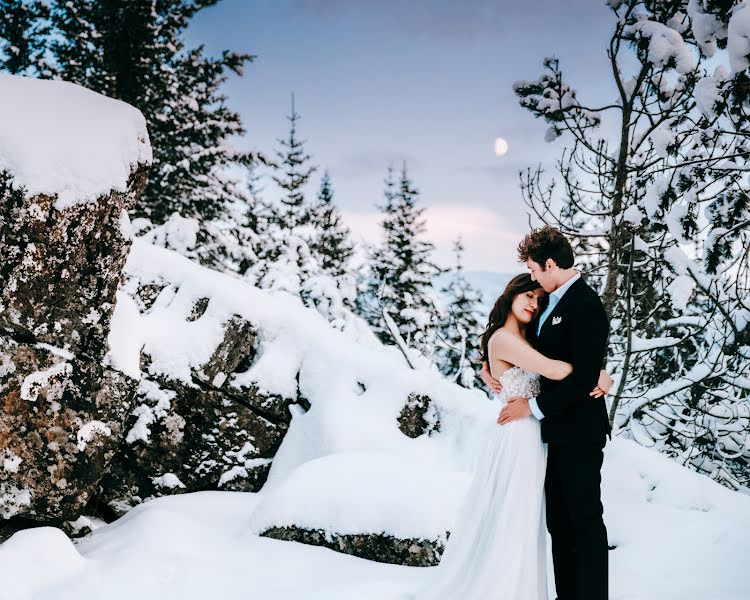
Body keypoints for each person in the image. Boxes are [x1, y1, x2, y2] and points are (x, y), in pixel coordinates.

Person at [410, 249, 612, 599]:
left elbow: (551, 363)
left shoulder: (524, 340)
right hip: (520, 433)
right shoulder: (504, 339)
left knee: (534, 519)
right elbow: (553, 370)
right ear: (510, 296)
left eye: (538, 297)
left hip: (538, 433)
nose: (534, 302)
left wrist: (599, 374)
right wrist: (593, 375)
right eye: (528, 294)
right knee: (515, 517)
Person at [492, 225, 612, 600]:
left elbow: (582, 374)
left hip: (578, 432)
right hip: (551, 435)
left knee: (585, 522)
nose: (531, 278)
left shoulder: (585, 303)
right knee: (558, 524)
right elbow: (536, 354)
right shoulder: (549, 304)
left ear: (548, 263)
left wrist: (533, 406)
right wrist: (493, 366)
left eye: (532, 269)